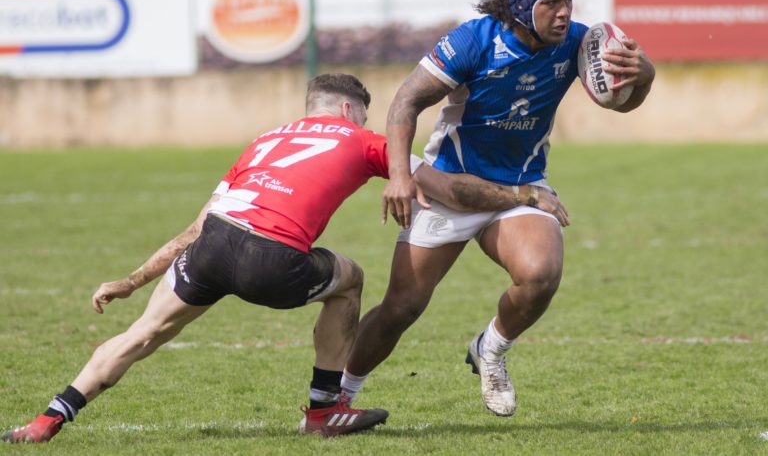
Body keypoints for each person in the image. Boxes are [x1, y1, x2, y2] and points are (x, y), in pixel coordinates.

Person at [2, 72, 570, 444]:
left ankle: (47, 419)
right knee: (351, 280)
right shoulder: (362, 140)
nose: (365, 125)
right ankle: (323, 411)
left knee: (143, 333)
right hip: (270, 259)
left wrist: (131, 280)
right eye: (362, 115)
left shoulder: (265, 140)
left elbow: (197, 227)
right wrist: (521, 195)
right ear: (348, 109)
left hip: (213, 245)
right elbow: (445, 190)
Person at [339, 0, 656, 417]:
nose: (564, 12)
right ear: (524, 5)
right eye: (552, 2)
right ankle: (337, 397)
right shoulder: (474, 40)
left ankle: (489, 349)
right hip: (452, 186)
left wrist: (643, 77)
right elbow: (405, 102)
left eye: (568, 0)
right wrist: (400, 175)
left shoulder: (578, 43)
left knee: (540, 275)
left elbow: (620, 103)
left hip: (523, 186)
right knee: (401, 308)